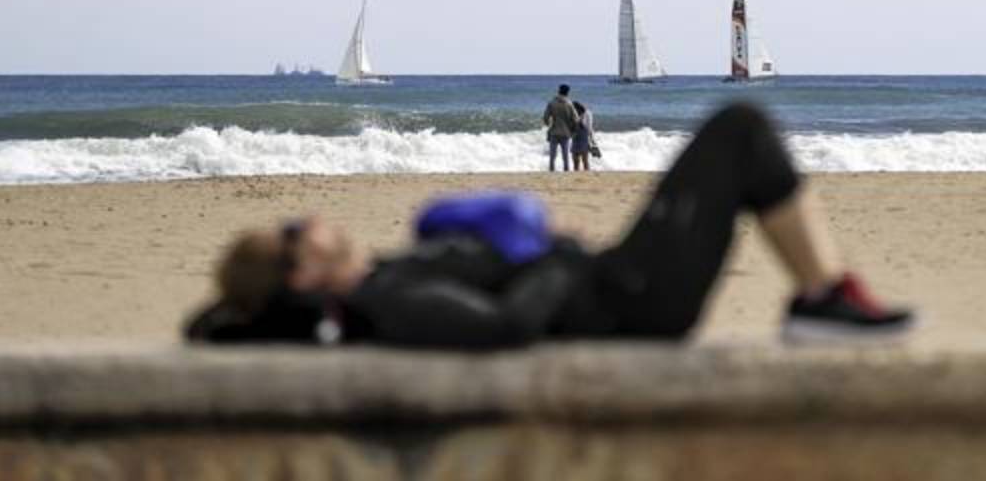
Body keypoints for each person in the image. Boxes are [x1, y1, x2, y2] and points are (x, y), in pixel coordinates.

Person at [186, 103, 915, 349]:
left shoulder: (378, 284)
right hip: (628, 300)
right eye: (293, 230)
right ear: (300, 272)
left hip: (613, 288)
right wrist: (553, 254)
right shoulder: (388, 298)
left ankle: (823, 297)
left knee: (740, 133)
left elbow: (210, 324)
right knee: (740, 130)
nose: (310, 220)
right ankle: (821, 299)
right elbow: (506, 327)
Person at [542, 83, 580, 172]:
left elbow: (545, 117)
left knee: (552, 155)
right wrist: (572, 129)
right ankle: (566, 170)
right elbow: (576, 119)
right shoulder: (569, 104)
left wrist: (549, 125)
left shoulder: (552, 103)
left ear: (559, 91)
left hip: (554, 131)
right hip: (565, 132)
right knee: (565, 154)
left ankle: (551, 170)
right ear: (567, 92)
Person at [570, 101, 596, 171]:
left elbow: (589, 127)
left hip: (582, 136)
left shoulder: (587, 113)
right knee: (578, 159)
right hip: (578, 137)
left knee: (583, 159)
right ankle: (578, 173)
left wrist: (591, 138)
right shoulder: (575, 114)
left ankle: (585, 173)